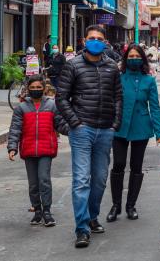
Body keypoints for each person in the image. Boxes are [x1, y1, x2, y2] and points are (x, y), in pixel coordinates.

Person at [55, 25, 123, 248]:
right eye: (91, 37)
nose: (95, 41)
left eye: (99, 38)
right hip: (82, 131)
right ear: (84, 41)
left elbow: (118, 98)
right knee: (81, 180)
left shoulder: (112, 67)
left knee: (100, 179)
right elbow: (61, 98)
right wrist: (75, 123)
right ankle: (82, 228)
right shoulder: (72, 65)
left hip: (105, 130)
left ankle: (92, 216)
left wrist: (114, 125)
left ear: (105, 42)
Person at [107, 45, 160, 223]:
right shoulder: (118, 78)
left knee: (136, 166)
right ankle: (115, 204)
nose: (133, 58)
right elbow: (110, 101)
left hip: (141, 126)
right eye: (130, 56)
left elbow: (154, 106)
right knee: (118, 164)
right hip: (119, 126)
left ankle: (131, 205)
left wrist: (159, 131)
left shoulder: (149, 80)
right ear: (126, 59)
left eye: (136, 56)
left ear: (142, 59)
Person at [7, 75, 69, 227]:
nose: (36, 90)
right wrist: (12, 147)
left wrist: (73, 131)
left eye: (38, 88)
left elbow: (60, 124)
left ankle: (47, 211)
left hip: (46, 149)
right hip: (28, 150)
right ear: (28, 89)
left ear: (44, 89)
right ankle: (37, 211)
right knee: (33, 184)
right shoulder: (21, 108)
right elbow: (15, 129)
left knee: (44, 180)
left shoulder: (52, 106)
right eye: (33, 88)